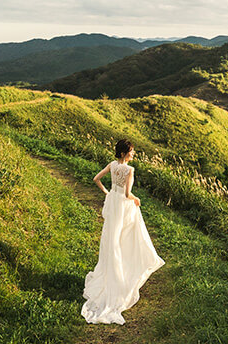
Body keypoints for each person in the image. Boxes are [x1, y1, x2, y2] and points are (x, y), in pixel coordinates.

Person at [81, 139, 165, 324]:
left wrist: (107, 193)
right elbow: (128, 194)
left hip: (113, 203)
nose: (133, 155)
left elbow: (96, 179)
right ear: (123, 153)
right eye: (131, 152)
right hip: (124, 207)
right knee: (127, 239)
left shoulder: (112, 165)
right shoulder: (129, 170)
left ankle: (113, 272)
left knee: (112, 240)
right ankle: (125, 273)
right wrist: (137, 199)